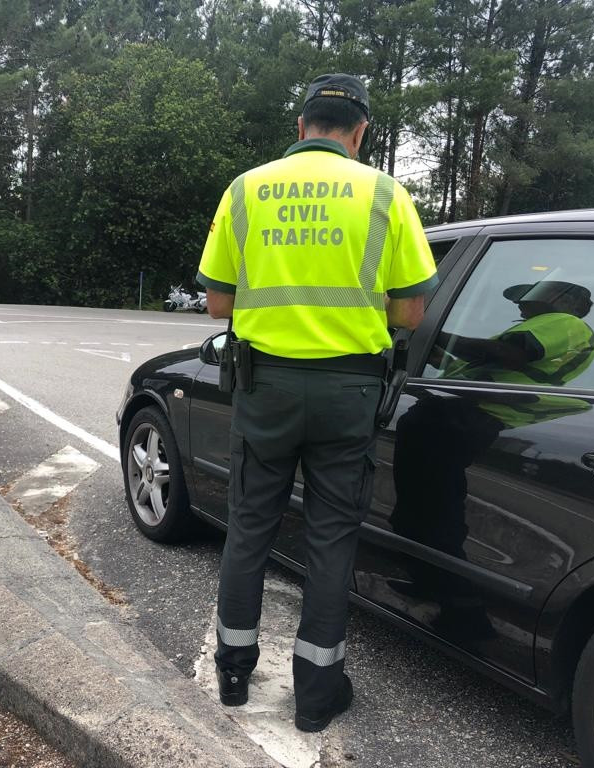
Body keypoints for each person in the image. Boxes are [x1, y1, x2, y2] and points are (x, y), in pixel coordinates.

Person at [196, 73, 438, 732]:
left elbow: (218, 301)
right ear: (360, 134)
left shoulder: (246, 189)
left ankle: (234, 675)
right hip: (349, 394)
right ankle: (315, 695)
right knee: (331, 543)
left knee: (249, 531)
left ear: (300, 128)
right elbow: (411, 311)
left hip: (265, 388)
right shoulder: (387, 194)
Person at [389, 281, 594, 644]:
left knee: (437, 518)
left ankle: (466, 617)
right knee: (417, 515)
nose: (520, 305)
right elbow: (470, 364)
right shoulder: (539, 327)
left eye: (529, 297)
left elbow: (510, 354)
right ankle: (429, 585)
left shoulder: (565, 322)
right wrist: (433, 348)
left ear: (564, 300)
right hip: (453, 416)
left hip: (468, 420)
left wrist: (436, 330)